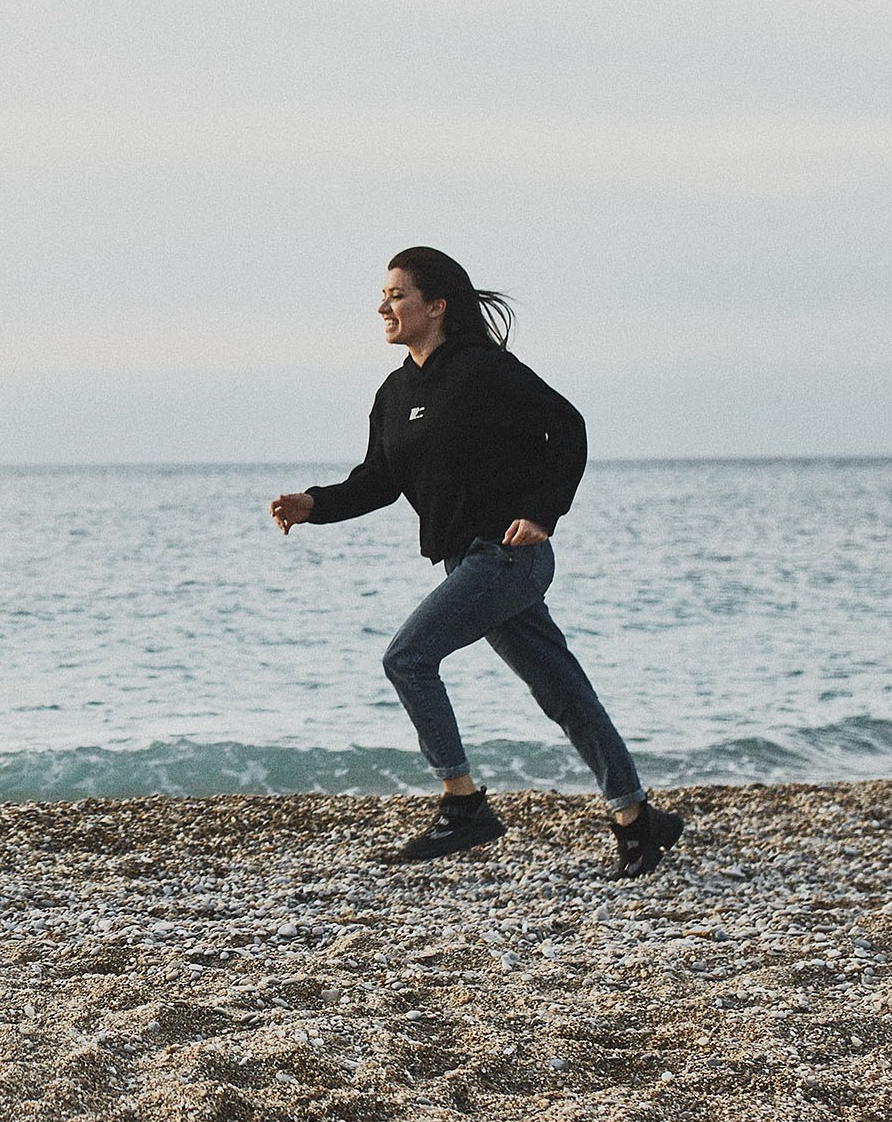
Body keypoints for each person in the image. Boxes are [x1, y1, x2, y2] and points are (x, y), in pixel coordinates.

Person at [267, 248, 685, 876]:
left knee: (407, 658)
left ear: (437, 306)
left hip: (509, 557)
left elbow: (567, 428)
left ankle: (464, 805)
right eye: (383, 295)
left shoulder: (484, 370)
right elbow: (378, 480)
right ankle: (637, 821)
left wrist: (544, 512)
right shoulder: (394, 392)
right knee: (562, 691)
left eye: (398, 295)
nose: (384, 306)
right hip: (465, 564)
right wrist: (313, 504)